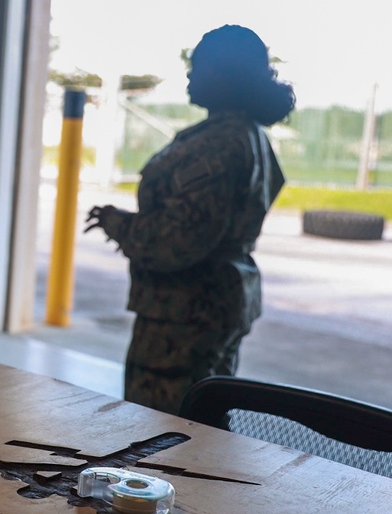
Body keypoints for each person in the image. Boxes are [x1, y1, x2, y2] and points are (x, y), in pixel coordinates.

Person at [85, 24, 296, 415]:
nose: (189, 75)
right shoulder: (245, 135)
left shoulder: (219, 143)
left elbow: (177, 241)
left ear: (224, 75)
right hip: (208, 308)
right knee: (202, 428)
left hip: (183, 317)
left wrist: (119, 224)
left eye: (198, 66)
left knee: (163, 435)